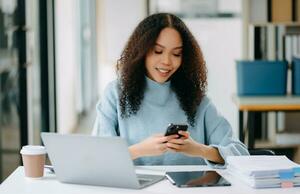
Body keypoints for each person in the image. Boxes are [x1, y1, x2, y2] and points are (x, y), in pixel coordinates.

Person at [92, 13, 249, 167]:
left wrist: (200, 150)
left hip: (190, 191)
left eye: (176, 54)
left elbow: (240, 154)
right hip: (134, 191)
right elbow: (97, 157)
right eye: (158, 51)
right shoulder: (115, 94)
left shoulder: (196, 99)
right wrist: (139, 150)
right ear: (141, 51)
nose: (167, 61)